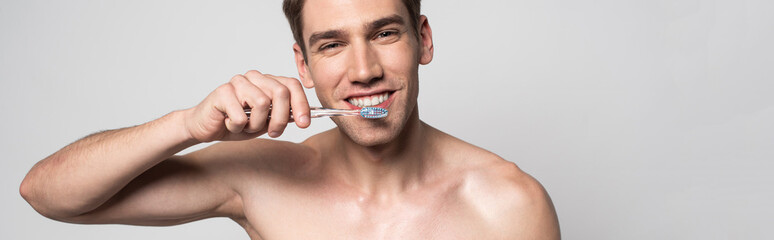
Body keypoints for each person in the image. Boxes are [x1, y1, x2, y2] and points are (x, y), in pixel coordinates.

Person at [20, 0, 560, 239]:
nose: (364, 70)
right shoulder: (258, 177)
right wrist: (188, 124)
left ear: (425, 39)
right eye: (331, 45)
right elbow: (48, 195)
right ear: (302, 63)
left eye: (384, 33)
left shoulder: (509, 206)